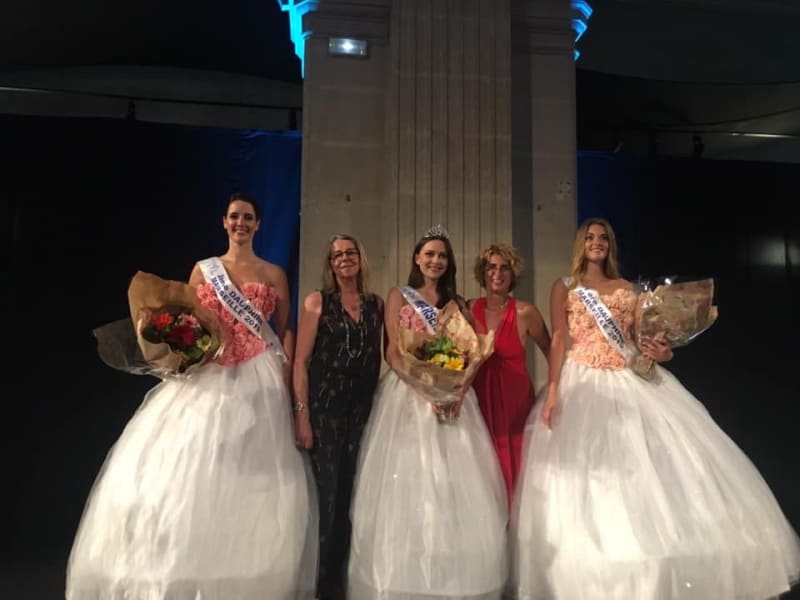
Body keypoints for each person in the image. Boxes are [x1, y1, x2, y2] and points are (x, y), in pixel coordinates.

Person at [510, 217, 800, 600]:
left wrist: (662, 351)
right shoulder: (564, 287)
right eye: (591, 237)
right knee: (588, 475)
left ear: (611, 246)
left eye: (604, 238)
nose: (597, 243)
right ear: (581, 244)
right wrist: (553, 389)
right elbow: (560, 337)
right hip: (582, 380)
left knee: (647, 466)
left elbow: (638, 339)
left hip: (627, 378)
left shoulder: (628, 289)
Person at [66, 192, 318, 600]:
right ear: (224, 222)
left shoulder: (273, 273)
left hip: (260, 375)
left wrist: (286, 369)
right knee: (193, 467)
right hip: (210, 374)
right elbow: (191, 319)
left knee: (256, 475)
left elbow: (285, 326)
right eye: (235, 216)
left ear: (258, 225)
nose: (241, 223)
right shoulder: (204, 270)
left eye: (248, 218)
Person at [347, 226, 508, 600]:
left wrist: (454, 389)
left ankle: (455, 578)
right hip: (408, 397)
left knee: (454, 488)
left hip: (452, 400)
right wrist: (426, 388)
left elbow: (470, 355)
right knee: (409, 486)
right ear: (417, 259)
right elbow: (392, 352)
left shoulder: (460, 303)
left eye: (442, 256)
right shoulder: (399, 296)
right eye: (429, 254)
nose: (436, 261)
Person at [293, 234, 383, 600]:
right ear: (330, 264)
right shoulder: (318, 302)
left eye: (350, 253)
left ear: (361, 258)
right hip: (325, 411)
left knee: (353, 498)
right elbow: (300, 362)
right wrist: (302, 415)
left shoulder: (376, 304)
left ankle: (345, 582)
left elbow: (393, 353)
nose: (344, 259)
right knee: (327, 499)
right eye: (337, 255)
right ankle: (321, 585)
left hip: (362, 412)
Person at [469, 243, 550, 501]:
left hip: (514, 406)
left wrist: (555, 393)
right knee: (482, 473)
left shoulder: (526, 312)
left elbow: (552, 352)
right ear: (483, 273)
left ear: (512, 274)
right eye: (491, 267)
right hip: (478, 402)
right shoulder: (469, 309)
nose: (497, 273)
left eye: (504, 268)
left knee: (515, 473)